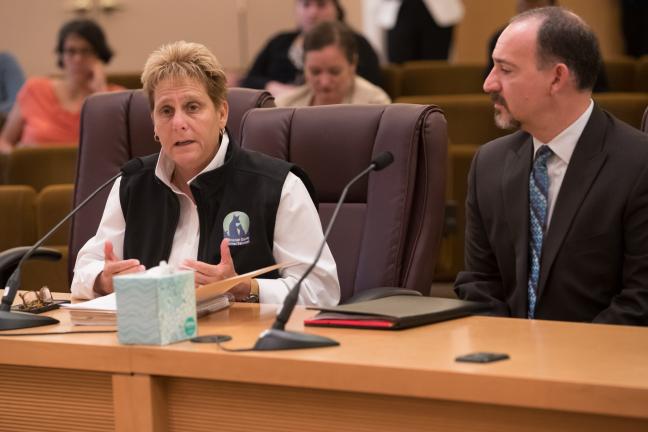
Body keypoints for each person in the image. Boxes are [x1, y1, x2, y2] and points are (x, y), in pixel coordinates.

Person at [71, 41, 340, 307]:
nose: (179, 123)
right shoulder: (131, 184)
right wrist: (102, 280)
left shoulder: (278, 186)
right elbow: (84, 270)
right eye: (166, 111)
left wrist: (246, 288)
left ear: (221, 113)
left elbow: (322, 289)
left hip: (241, 344)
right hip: (147, 340)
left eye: (192, 107)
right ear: (154, 122)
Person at [454, 7, 648, 325]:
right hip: (506, 360)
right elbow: (479, 283)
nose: (489, 84)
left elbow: (640, 301)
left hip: (603, 364)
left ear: (557, 77)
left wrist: (555, 360)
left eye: (506, 70)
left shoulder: (638, 164)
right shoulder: (488, 163)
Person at [0, 19, 122, 154]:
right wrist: (17, 157)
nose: (77, 59)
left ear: (99, 55)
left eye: (86, 51)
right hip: (33, 172)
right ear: (61, 55)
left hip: (92, 175)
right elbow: (4, 141)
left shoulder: (116, 97)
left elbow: (116, 149)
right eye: (71, 51)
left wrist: (101, 90)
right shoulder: (34, 89)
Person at [240, 0, 382, 97]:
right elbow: (248, 80)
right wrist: (272, 86)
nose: (313, 13)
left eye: (321, 5)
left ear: (336, 9)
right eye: (306, 4)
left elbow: (374, 85)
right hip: (281, 112)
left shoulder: (356, 43)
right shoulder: (280, 42)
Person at [484, 1, 608, 91]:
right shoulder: (501, 38)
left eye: (535, 4)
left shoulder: (579, 37)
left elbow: (598, 89)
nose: (528, 9)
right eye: (525, 2)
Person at [276, 21, 390, 107]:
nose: (325, 82)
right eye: (315, 72)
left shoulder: (376, 105)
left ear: (353, 65)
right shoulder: (284, 107)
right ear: (304, 66)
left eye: (334, 72)